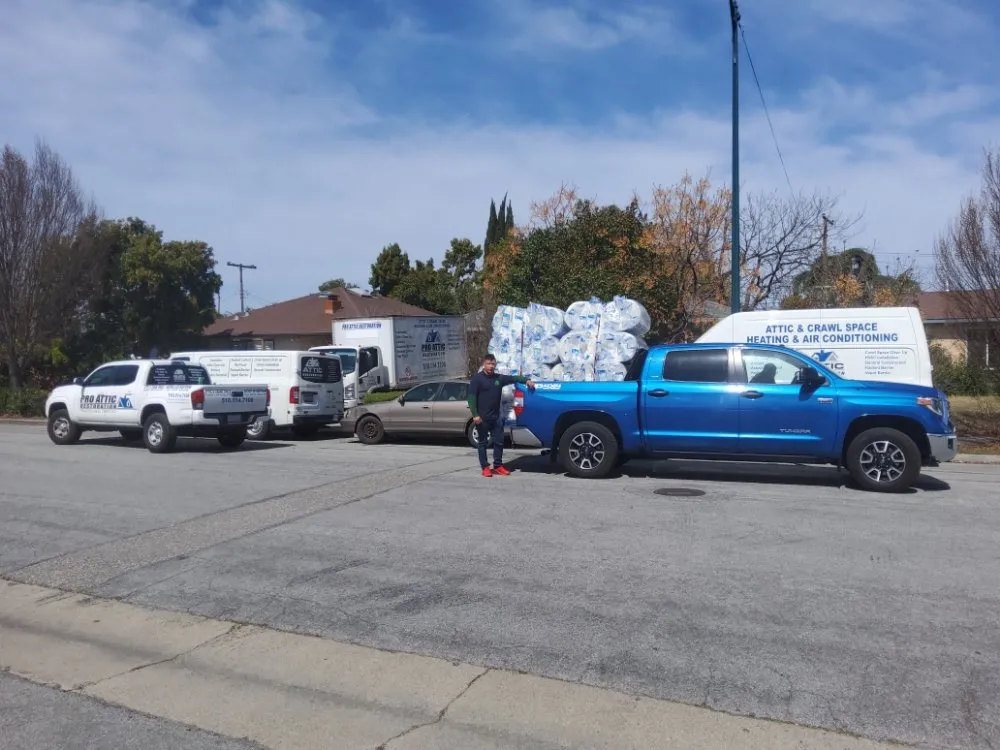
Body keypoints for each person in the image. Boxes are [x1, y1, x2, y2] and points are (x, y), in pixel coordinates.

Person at [467, 354, 535, 477]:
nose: (491, 366)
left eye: (493, 364)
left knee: (499, 442)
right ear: (484, 364)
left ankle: (498, 466)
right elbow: (471, 397)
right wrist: (475, 415)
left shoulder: (498, 379)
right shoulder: (477, 379)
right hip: (482, 418)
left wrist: (526, 380)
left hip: (496, 417)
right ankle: (485, 467)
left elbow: (513, 378)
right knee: (482, 443)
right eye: (488, 363)